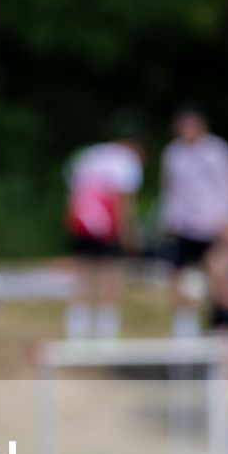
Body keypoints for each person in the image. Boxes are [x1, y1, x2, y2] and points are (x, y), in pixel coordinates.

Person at [158, 108, 228, 336]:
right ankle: (184, 331)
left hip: (216, 226)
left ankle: (226, 326)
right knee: (181, 279)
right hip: (185, 226)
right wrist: (168, 219)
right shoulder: (173, 154)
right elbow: (170, 190)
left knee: (221, 275)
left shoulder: (217, 151)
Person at [63, 138, 143, 339]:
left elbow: (73, 191)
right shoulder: (127, 161)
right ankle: (106, 327)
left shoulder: (90, 153)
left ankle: (77, 324)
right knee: (110, 272)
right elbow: (124, 202)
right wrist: (129, 233)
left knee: (82, 272)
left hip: (81, 221)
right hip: (107, 224)